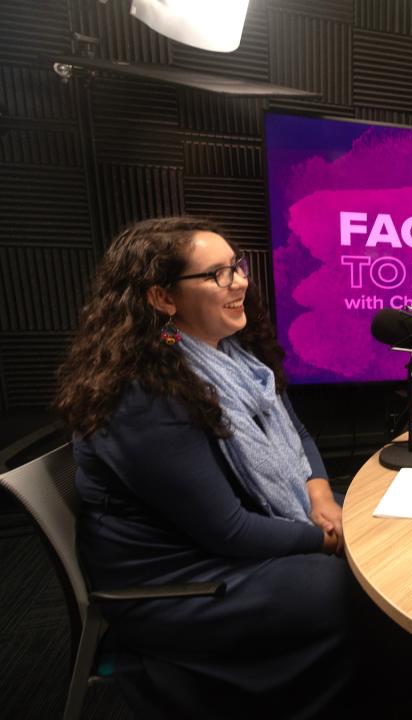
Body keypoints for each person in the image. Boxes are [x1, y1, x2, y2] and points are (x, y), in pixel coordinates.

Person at [53, 217, 355, 719]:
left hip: (222, 537)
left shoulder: (230, 357)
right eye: (216, 274)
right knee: (345, 589)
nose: (239, 281)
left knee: (381, 534)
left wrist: (322, 499)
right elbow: (229, 531)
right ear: (162, 298)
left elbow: (298, 435)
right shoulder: (144, 393)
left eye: (236, 265)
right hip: (174, 579)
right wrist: (328, 539)